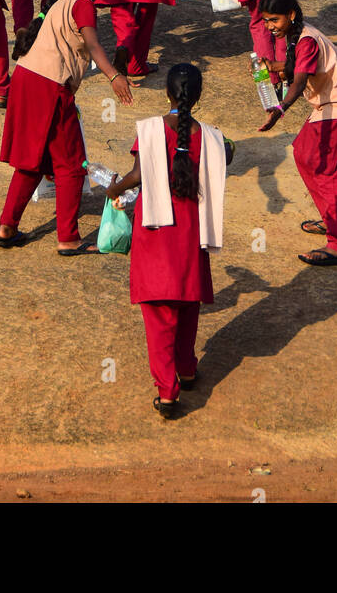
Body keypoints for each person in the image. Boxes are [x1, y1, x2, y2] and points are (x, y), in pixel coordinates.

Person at [104, 63, 226, 418]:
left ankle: (168, 392)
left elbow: (138, 174)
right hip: (192, 230)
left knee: (159, 313)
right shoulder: (211, 136)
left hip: (157, 230)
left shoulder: (153, 129)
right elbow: (224, 156)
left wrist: (114, 186)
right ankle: (186, 370)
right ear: (198, 96)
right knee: (188, 303)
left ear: (168, 94)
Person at [0, 0, 133, 255]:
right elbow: (93, 44)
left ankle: (7, 226)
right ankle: (68, 237)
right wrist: (114, 76)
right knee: (71, 163)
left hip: (27, 79)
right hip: (49, 85)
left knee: (33, 160)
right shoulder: (83, 2)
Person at [257, 0, 337, 266]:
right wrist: (273, 67)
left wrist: (279, 110)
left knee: (325, 172)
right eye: (266, 21)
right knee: (306, 156)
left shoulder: (306, 40)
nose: (270, 27)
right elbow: (295, 67)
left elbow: (300, 80)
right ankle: (334, 222)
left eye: (274, 20)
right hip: (334, 105)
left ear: (290, 15)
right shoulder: (298, 34)